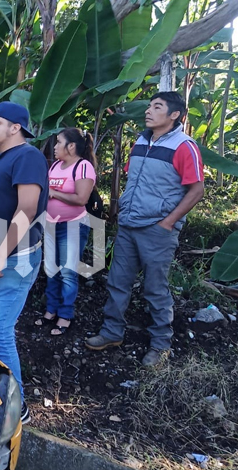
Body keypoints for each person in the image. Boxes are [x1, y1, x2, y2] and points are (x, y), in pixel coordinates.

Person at [86, 92, 204, 367]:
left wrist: (168, 222)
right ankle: (112, 332)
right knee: (117, 281)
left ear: (174, 115)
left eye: (157, 107)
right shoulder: (140, 141)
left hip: (157, 229)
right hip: (129, 224)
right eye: (149, 106)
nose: (148, 111)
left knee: (155, 288)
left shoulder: (184, 146)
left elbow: (197, 190)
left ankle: (161, 345)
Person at [0, 101, 48, 423]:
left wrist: (1, 257)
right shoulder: (4, 159)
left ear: (15, 127)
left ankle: (16, 408)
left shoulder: (28, 157)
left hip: (11, 261)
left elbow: (26, 209)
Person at [41, 128, 97, 336]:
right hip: (51, 224)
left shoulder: (83, 167)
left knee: (67, 272)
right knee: (51, 269)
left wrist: (54, 193)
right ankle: (51, 309)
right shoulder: (55, 165)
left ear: (71, 146)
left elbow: (81, 199)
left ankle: (65, 315)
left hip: (72, 226)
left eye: (59, 142)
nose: (55, 147)